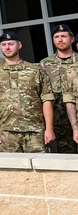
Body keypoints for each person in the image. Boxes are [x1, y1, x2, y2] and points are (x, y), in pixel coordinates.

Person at [0, 31, 59, 153]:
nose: (7, 47)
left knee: (39, 166)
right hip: (7, 132)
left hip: (34, 131)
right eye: (4, 44)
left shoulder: (35, 71)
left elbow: (47, 100)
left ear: (19, 45)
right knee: (12, 169)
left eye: (11, 44)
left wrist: (49, 128)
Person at [39, 23, 78, 153]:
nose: (60, 40)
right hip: (58, 121)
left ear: (71, 39)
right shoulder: (45, 64)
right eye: (56, 37)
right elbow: (43, 94)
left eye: (63, 36)